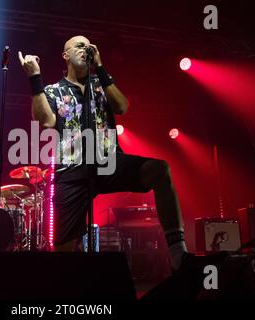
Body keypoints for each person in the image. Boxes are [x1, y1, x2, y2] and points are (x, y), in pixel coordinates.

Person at [19, 35, 189, 270]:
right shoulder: (53, 90)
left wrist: (100, 67)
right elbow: (46, 121)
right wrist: (34, 78)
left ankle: (178, 254)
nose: (84, 49)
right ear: (65, 55)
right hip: (71, 168)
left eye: (88, 46)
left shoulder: (101, 84)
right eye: (78, 46)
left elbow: (122, 107)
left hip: (108, 160)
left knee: (160, 170)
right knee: (62, 249)